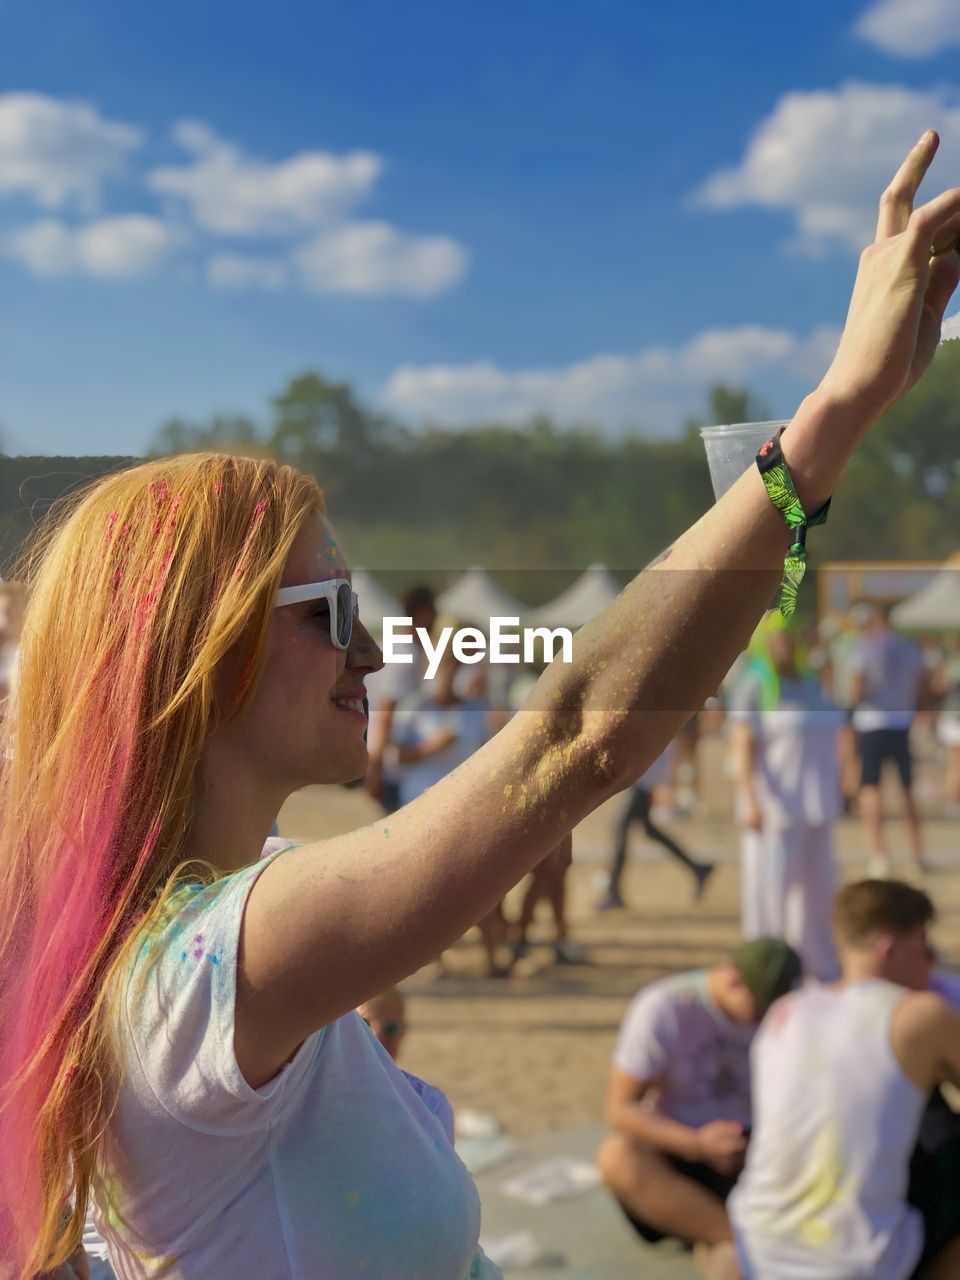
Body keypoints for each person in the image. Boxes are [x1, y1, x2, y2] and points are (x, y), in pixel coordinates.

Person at [1, 130, 958, 1278]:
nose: (368, 653)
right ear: (188, 657)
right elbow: (571, 740)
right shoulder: (203, 969)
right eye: (324, 610)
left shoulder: (174, 932)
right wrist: (834, 412)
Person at [730, 880, 960, 1279]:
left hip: (757, 1246)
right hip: (857, 1261)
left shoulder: (786, 1011)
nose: (931, 962)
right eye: (924, 947)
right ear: (888, 949)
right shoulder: (920, 1015)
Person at [596, 940, 802, 1271]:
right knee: (616, 1156)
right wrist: (696, 1145)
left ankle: (722, 1239)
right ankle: (738, 1240)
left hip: (753, 1149)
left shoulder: (787, 1015)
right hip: (681, 1145)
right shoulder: (666, 1006)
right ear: (733, 979)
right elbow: (619, 1110)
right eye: (760, 1007)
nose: (765, 1018)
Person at [729, 614, 845, 980]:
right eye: (779, 637)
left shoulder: (811, 684)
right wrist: (750, 800)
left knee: (817, 893)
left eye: (791, 636)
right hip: (774, 810)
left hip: (816, 807)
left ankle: (818, 965)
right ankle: (768, 969)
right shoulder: (756, 685)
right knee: (771, 896)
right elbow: (742, 747)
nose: (787, 643)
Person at [851, 603, 928, 875]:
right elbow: (921, 685)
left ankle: (879, 855)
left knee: (871, 788)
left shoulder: (867, 645)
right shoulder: (912, 647)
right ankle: (916, 853)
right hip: (901, 722)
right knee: (907, 789)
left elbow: (858, 685)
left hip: (873, 722)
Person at [599, 742, 714, 912]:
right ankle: (698, 868)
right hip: (644, 777)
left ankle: (614, 892)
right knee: (648, 830)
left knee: (621, 829)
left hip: (643, 780)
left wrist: (663, 780)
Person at [364, 583, 436, 812]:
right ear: (424, 613)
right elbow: (386, 709)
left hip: (387, 754)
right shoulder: (407, 654)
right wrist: (375, 766)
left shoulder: (393, 645)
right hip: (393, 762)